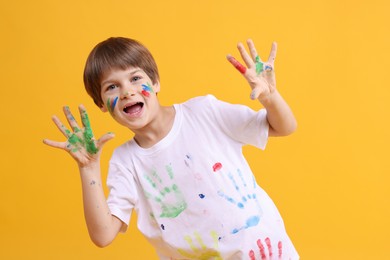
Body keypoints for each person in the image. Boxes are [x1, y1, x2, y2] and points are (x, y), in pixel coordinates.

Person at [43, 37, 299, 259]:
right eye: (112, 87)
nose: (127, 91)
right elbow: (103, 235)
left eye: (135, 78)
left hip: (266, 252)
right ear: (101, 104)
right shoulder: (125, 161)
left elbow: (283, 127)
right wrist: (88, 168)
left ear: (155, 83)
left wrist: (269, 96)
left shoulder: (204, 111)